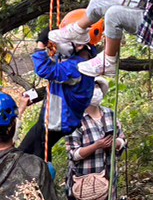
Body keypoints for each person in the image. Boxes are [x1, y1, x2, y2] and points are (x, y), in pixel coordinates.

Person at [60, 81, 125, 200]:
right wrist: (96, 146)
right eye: (91, 87)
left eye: (97, 87)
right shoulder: (75, 119)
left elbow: (123, 139)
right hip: (83, 181)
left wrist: (117, 142)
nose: (95, 91)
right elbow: (74, 154)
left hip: (107, 178)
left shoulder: (110, 114)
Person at [18, 31, 96, 163]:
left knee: (36, 157)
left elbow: (45, 70)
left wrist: (41, 45)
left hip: (57, 120)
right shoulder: (86, 61)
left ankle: (38, 181)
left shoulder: (77, 67)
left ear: (80, 45)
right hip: (59, 118)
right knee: (25, 153)